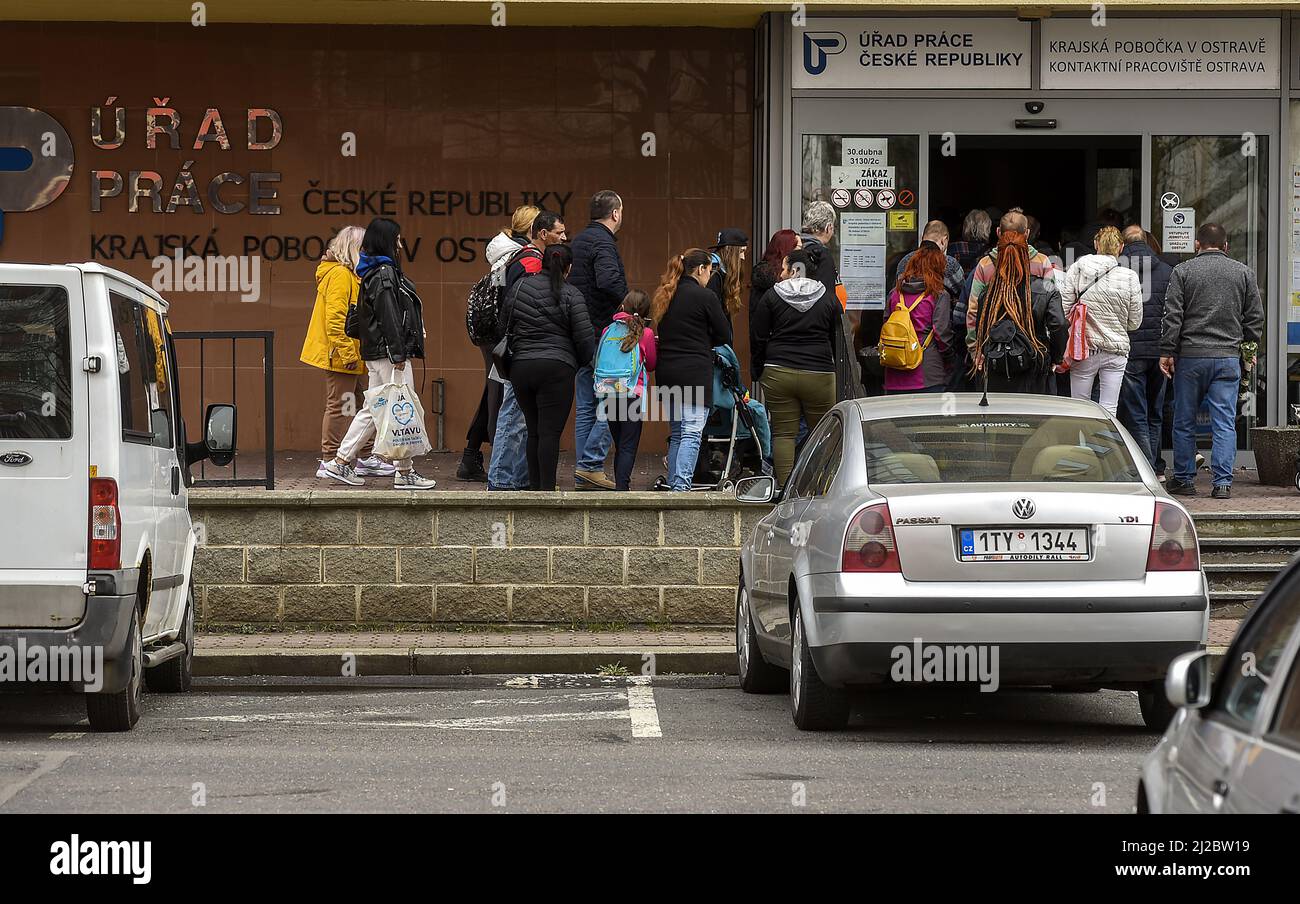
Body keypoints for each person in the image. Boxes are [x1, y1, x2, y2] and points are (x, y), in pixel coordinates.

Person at [323, 217, 436, 489]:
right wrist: (398, 354)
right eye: (396, 238)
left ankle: (340, 461)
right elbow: (389, 317)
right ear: (387, 240)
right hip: (388, 354)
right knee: (402, 408)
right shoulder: (384, 272)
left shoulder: (370, 272)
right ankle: (404, 471)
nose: (400, 243)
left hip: (376, 353)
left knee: (375, 409)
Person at [1160, 222, 1265, 500]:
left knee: (1183, 421)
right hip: (1227, 358)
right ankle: (1222, 483)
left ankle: (1184, 479)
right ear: (1226, 246)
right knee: (1224, 423)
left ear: (1197, 244)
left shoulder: (1182, 271)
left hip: (1191, 358)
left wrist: (1167, 351)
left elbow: (1173, 317)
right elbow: (1254, 318)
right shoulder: (1243, 273)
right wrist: (1248, 349)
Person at [300, 226, 393, 481]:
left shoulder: (351, 274)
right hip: (343, 354)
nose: (367, 252)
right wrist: (348, 354)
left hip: (355, 352)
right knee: (340, 405)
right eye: (363, 247)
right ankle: (329, 459)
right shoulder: (340, 275)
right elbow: (335, 320)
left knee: (367, 403)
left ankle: (363, 456)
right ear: (353, 248)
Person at [458, 204, 539, 482]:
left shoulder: (502, 255)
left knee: (493, 389)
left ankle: (472, 455)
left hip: (491, 333)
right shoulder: (520, 256)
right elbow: (511, 298)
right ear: (532, 229)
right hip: (505, 334)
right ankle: (501, 466)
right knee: (500, 396)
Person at [487, 210, 567, 491]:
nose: (564, 238)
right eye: (559, 232)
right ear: (542, 233)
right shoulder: (530, 263)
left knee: (520, 419)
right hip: (525, 349)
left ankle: (515, 477)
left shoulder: (519, 259)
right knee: (513, 417)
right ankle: (501, 479)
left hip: (521, 350)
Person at [506, 244, 595, 491]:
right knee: (549, 433)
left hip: (522, 367)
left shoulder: (520, 287)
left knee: (533, 430)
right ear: (569, 268)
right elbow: (585, 339)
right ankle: (547, 490)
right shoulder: (572, 294)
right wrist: (575, 363)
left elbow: (504, 323)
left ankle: (535, 488)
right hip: (558, 368)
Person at [750, 247, 841, 484]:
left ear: (794, 270)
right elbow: (836, 339)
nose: (780, 274)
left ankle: (784, 489)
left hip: (779, 371)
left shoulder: (771, 296)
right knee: (823, 433)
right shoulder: (828, 298)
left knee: (783, 434)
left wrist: (758, 368)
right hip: (819, 373)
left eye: (783, 268)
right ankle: (820, 485)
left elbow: (758, 336)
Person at [651, 248, 733, 491]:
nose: (709, 275)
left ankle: (676, 486)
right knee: (692, 432)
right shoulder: (705, 297)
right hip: (695, 371)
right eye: (709, 270)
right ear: (700, 269)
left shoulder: (666, 294)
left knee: (677, 433)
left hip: (667, 373)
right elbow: (724, 334)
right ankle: (681, 489)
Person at [568, 190, 627, 491]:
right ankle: (591, 464)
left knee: (587, 406)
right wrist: (631, 305)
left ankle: (584, 469)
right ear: (615, 213)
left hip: (580, 335)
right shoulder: (604, 242)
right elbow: (608, 281)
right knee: (618, 399)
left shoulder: (577, 241)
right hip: (604, 338)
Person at [967, 224, 1065, 394]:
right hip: (1035, 369)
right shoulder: (1044, 289)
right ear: (1027, 255)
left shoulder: (988, 292)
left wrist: (977, 352)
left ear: (999, 255)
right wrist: (1056, 357)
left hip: (996, 369)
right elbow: (1059, 324)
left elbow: (977, 322)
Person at [1057, 225, 1143, 416]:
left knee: (1079, 407)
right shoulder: (1129, 277)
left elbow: (1064, 311)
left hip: (1084, 348)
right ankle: (1105, 446)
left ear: (1096, 244)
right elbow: (1135, 322)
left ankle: (1080, 445)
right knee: (1109, 409)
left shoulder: (1077, 269)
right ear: (1120, 247)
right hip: (1116, 349)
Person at [1114, 225, 1173, 476]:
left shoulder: (1116, 270)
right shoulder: (1168, 271)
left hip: (1131, 350)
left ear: (1123, 244)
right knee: (1154, 413)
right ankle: (1156, 467)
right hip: (1159, 351)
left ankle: (1147, 468)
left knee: (1135, 413)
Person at [800, 200, 861, 402]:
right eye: (832, 228)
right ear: (827, 228)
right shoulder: (821, 255)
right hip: (816, 345)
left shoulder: (795, 251)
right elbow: (825, 300)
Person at [597, 290, 657, 491]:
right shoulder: (646, 334)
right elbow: (651, 366)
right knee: (628, 445)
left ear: (623, 307)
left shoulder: (607, 330)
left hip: (608, 389)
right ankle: (622, 489)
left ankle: (620, 487)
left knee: (619, 443)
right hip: (632, 392)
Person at [882, 243, 953, 394]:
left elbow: (886, 324)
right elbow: (941, 333)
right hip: (927, 374)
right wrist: (950, 358)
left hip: (894, 373)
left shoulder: (895, 294)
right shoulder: (939, 295)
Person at [893, 219, 964, 301]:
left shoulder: (905, 261)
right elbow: (963, 294)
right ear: (944, 240)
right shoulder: (948, 263)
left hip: (907, 312)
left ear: (922, 237)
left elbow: (897, 291)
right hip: (940, 312)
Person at [749, 229, 801, 313]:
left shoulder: (794, 270)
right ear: (787, 249)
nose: (802, 252)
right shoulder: (765, 274)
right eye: (799, 248)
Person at [706, 228, 748, 324]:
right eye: (741, 251)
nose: (743, 257)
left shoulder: (719, 271)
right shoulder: (713, 274)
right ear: (729, 250)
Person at [949, 208, 992, 276]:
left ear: (966, 225)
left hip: (957, 285)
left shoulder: (954, 247)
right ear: (987, 228)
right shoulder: (990, 252)